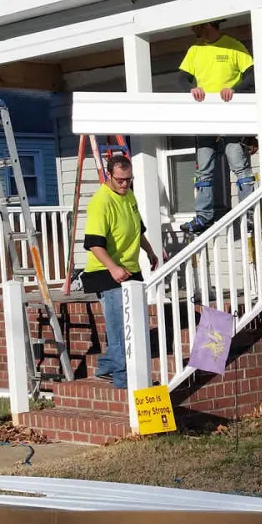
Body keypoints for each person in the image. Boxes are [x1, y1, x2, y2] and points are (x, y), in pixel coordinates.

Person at [81, 155, 160, 390]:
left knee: (134, 324)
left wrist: (150, 251)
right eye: (120, 180)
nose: (125, 184)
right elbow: (94, 243)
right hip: (106, 273)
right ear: (108, 175)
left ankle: (106, 367)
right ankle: (124, 379)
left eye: (129, 179)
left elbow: (137, 229)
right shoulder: (100, 202)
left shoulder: (129, 195)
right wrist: (113, 268)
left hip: (131, 270)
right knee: (121, 329)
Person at [178, 20, 256, 235]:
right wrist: (192, 88)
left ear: (208, 26)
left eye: (198, 28)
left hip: (230, 114)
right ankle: (204, 217)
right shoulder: (195, 50)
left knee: (238, 164)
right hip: (205, 116)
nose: (196, 32)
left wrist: (235, 90)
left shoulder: (233, 46)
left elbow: (252, 74)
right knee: (203, 170)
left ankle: (249, 213)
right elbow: (182, 78)